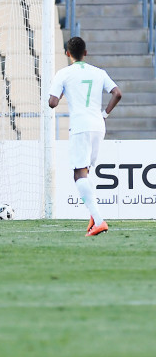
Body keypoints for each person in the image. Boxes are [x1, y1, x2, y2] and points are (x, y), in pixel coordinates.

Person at [49, 37, 122, 236]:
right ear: (86, 53)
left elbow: (52, 103)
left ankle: (99, 220)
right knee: (87, 171)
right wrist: (104, 114)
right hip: (98, 125)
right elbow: (117, 93)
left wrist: (60, 93)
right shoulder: (99, 72)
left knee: (79, 174)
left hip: (80, 126)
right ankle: (93, 215)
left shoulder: (64, 73)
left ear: (67, 53)